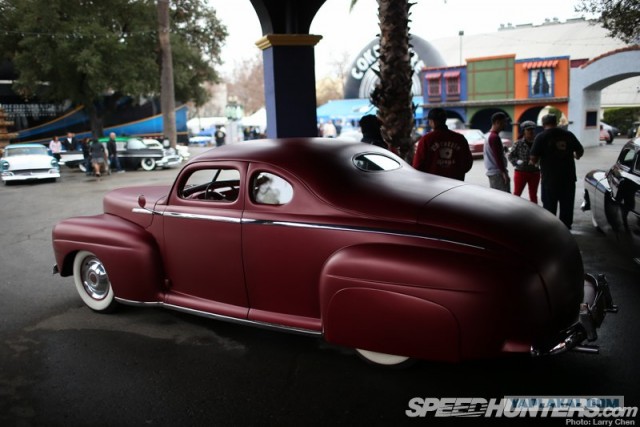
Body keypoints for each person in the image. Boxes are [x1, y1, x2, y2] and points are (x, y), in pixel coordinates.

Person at [530, 113, 584, 229]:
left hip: (550, 179)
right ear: (556, 122)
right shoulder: (568, 135)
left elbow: (533, 158)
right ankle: (566, 228)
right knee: (567, 205)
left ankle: (551, 229)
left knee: (549, 206)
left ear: (544, 124)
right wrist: (576, 155)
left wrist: (535, 161)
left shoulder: (541, 137)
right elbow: (580, 150)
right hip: (568, 177)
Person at [412, 108, 473, 181]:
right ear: (445, 120)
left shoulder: (426, 140)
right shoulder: (460, 139)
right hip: (456, 184)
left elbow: (417, 165)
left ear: (432, 122)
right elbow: (468, 163)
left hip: (433, 186)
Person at [508, 120, 540, 203]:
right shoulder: (518, 143)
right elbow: (511, 156)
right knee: (517, 194)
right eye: (528, 130)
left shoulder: (538, 142)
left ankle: (534, 212)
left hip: (535, 172)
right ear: (523, 131)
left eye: (532, 130)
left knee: (533, 195)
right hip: (521, 172)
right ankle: (514, 211)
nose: (531, 132)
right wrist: (517, 162)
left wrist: (538, 162)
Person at [484, 112, 510, 192]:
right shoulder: (494, 137)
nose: (505, 124)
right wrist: (504, 173)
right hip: (497, 173)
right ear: (497, 122)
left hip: (493, 173)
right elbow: (497, 157)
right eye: (504, 122)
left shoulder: (488, 135)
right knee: (504, 198)